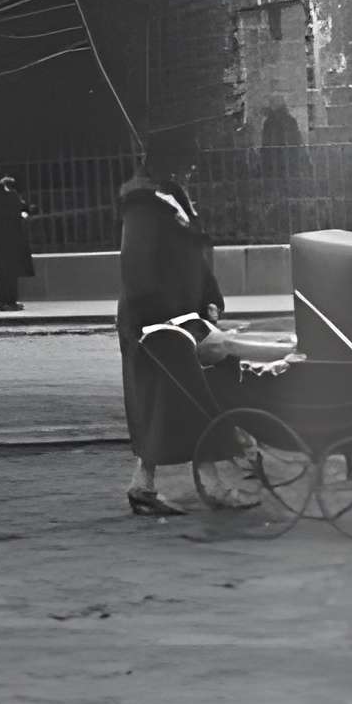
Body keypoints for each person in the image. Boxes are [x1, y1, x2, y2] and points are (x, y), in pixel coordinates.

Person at [116, 127, 230, 516]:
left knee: (170, 405)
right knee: (185, 400)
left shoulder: (168, 198)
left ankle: (143, 484)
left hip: (179, 317)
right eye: (186, 161)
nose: (192, 168)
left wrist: (209, 297)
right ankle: (211, 484)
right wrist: (162, 317)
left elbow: (194, 252)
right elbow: (138, 266)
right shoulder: (143, 205)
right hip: (156, 321)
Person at [0, 174, 35, 312]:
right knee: (10, 274)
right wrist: (24, 213)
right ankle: (8, 302)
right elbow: (23, 208)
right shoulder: (10, 197)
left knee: (5, 274)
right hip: (11, 241)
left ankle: (8, 302)